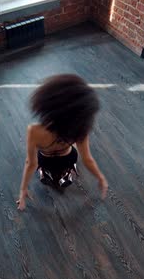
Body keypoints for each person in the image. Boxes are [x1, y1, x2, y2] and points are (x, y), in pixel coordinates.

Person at [16, 74, 108, 211]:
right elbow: (88, 159)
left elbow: (30, 163)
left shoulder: (34, 130)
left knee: (40, 163)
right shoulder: (79, 129)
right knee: (71, 155)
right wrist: (101, 178)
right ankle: (68, 172)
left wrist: (23, 189)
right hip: (67, 158)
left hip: (44, 159)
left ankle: (43, 171)